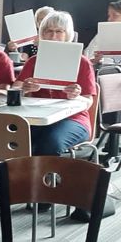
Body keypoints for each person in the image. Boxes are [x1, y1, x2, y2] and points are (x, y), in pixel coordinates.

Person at [15, 10, 97, 156]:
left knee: (50, 142)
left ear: (68, 35)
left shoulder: (82, 62)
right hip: (38, 117)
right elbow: (15, 89)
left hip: (73, 119)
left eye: (59, 31)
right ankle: (13, 177)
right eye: (48, 31)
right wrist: (25, 90)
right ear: (42, 34)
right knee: (13, 139)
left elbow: (89, 100)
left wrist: (76, 96)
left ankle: (43, 178)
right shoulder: (34, 61)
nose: (53, 36)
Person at [86, 1, 121, 65]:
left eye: (115, 15)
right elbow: (87, 57)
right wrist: (95, 60)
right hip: (104, 71)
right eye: (109, 16)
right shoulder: (101, 34)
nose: (109, 19)